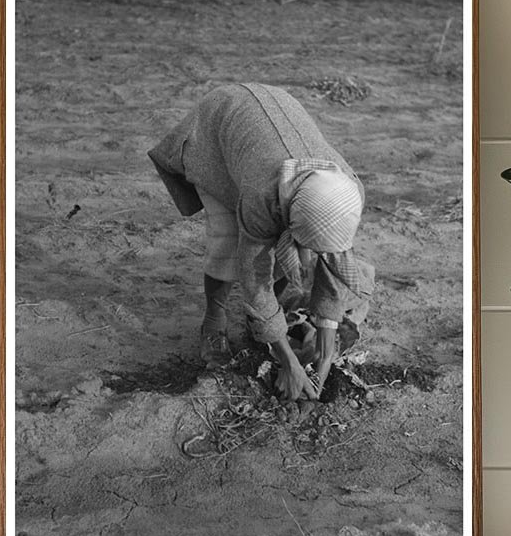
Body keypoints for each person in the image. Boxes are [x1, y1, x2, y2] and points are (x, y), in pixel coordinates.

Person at [148, 82, 374, 401]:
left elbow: (333, 269)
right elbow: (254, 275)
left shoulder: (349, 192)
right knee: (227, 245)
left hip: (275, 128)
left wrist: (325, 354)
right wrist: (290, 365)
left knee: (293, 264)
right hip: (218, 130)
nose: (311, 255)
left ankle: (268, 326)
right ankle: (214, 321)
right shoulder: (261, 196)